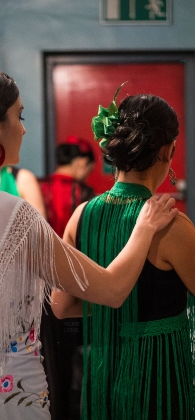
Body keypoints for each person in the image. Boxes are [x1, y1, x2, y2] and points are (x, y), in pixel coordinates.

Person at [0, 69, 177, 420]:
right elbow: (111, 289)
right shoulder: (8, 214)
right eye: (19, 116)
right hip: (5, 401)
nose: (23, 129)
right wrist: (144, 227)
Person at [51, 87, 195, 419]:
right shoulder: (171, 226)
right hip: (159, 377)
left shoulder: (81, 215)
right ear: (167, 151)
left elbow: (61, 306)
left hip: (104, 372)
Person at [38, 137, 95, 419]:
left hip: (40, 286)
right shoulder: (84, 195)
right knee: (75, 351)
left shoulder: (37, 187)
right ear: (82, 163)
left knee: (48, 358)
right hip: (72, 283)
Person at [39, 135, 95, 238]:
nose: (87, 177)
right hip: (73, 252)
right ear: (83, 162)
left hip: (42, 250)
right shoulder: (84, 192)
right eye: (89, 171)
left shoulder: (38, 186)